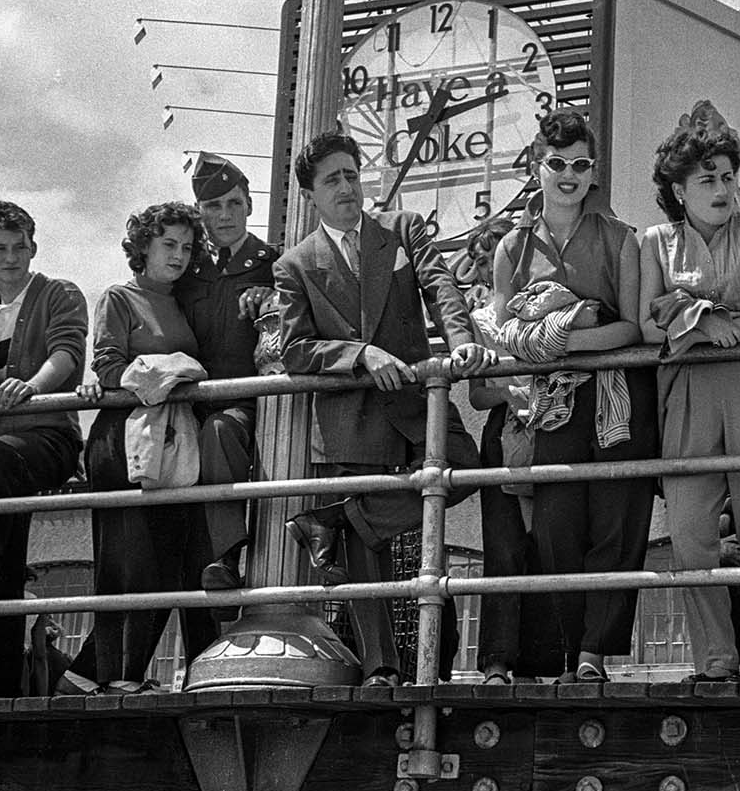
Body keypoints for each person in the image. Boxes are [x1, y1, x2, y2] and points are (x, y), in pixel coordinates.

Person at [276, 131, 492, 687]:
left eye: (352, 174)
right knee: (366, 553)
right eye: (332, 180)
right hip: (350, 411)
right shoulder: (295, 265)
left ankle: (334, 519)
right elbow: (296, 348)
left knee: (462, 471)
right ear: (311, 194)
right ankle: (381, 668)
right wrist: (360, 354)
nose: (347, 187)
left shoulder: (401, 229)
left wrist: (461, 338)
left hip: (413, 399)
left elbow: (440, 284)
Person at [484, 111, 655, 685]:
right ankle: (565, 649)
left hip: (615, 400)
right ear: (538, 167)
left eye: (581, 164)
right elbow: (504, 333)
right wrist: (551, 347)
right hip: (547, 405)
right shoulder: (511, 246)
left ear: (593, 172)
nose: (569, 175)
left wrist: (561, 340)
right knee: (555, 530)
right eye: (557, 163)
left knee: (615, 526)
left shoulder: (621, 239)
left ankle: (594, 656)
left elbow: (631, 328)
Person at [638, 123, 740, 682]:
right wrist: (703, 321)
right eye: (706, 178)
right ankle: (713, 661)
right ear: (679, 188)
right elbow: (644, 322)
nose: (721, 189)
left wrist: (701, 323)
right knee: (689, 533)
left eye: (728, 177)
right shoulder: (653, 242)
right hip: (687, 388)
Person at [76, 202, 218, 693]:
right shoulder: (120, 297)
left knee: (166, 558)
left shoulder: (185, 302)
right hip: (123, 437)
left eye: (186, 246)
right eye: (168, 244)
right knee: (126, 556)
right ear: (143, 248)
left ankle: (106, 672)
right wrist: (175, 367)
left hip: (173, 438)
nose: (178, 255)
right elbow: (109, 366)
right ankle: (115, 677)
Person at [0, 201, 87, 698]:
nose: (11, 257)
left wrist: (30, 385)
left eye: (19, 246)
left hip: (47, 439)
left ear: (33, 247)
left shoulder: (57, 293)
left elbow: (68, 352)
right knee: (2, 570)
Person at [466, 218, 566, 684]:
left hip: (551, 426)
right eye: (486, 260)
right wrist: (508, 389)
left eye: (499, 257)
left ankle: (543, 660)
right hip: (503, 434)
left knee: (549, 542)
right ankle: (497, 661)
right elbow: (477, 395)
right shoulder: (480, 319)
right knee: (503, 547)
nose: (492, 268)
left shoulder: (549, 305)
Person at [178, 153, 278, 601]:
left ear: (250, 206)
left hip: (246, 407)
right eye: (213, 206)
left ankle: (227, 555)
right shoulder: (187, 271)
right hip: (188, 406)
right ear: (200, 214)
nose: (224, 216)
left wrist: (270, 297)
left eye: (234, 204)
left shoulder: (272, 264)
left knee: (218, 432)